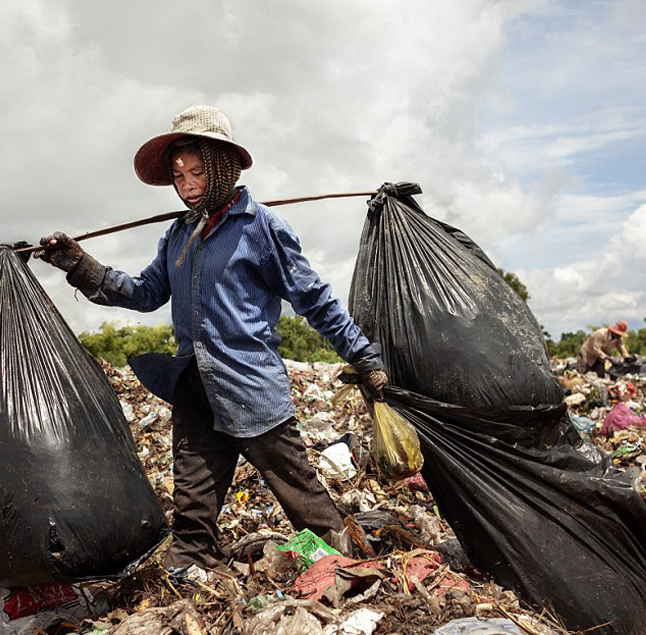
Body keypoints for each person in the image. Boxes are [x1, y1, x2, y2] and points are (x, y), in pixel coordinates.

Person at [35, 105, 388, 579]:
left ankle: (344, 567)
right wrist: (79, 264)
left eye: (197, 171)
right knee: (193, 498)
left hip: (249, 386)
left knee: (298, 492)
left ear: (223, 169)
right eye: (178, 174)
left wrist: (364, 356)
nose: (187, 183)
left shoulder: (261, 228)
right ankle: (192, 561)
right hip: (196, 386)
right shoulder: (178, 236)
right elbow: (145, 293)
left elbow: (314, 298)